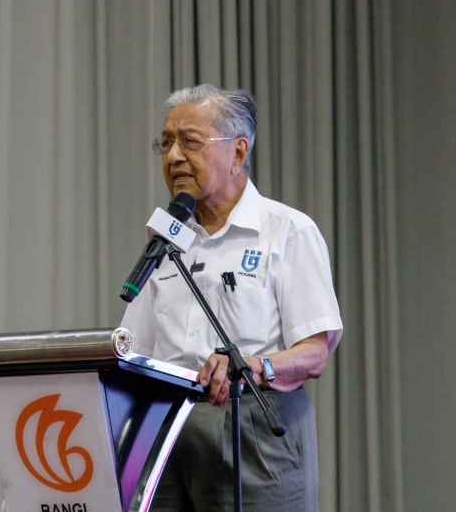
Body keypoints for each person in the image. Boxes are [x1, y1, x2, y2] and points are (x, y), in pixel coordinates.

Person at [120, 84, 343, 512]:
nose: (173, 157)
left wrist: (257, 367)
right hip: (168, 430)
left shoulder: (287, 231)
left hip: (253, 423)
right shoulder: (167, 239)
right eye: (165, 142)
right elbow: (135, 348)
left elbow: (314, 353)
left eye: (189, 141)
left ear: (238, 153)